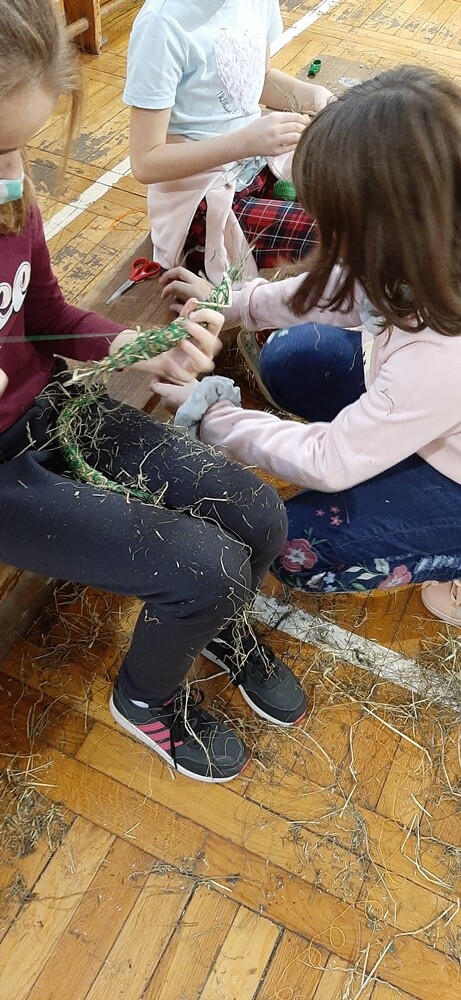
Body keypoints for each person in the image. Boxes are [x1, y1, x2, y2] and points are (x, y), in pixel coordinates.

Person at [0, 0, 308, 786]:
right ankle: (144, 701)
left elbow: (46, 315)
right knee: (202, 568)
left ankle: (213, 627)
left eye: (20, 147)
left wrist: (142, 347)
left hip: (48, 413)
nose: (12, 171)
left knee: (256, 512)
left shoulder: (7, 188)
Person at [156, 66, 461, 626]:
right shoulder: (429, 252)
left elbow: (331, 460)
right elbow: (341, 291)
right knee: (292, 358)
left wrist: (214, 416)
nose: (317, 229)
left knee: (299, 548)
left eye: (331, 220)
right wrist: (231, 305)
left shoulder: (440, 357)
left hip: (453, 466)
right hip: (426, 410)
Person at [123, 0, 333, 287]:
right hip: (200, 197)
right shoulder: (161, 24)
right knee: (331, 236)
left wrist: (314, 97)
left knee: (352, 198)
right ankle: (261, 323)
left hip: (258, 163)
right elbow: (146, 162)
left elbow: (256, 78)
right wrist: (245, 142)